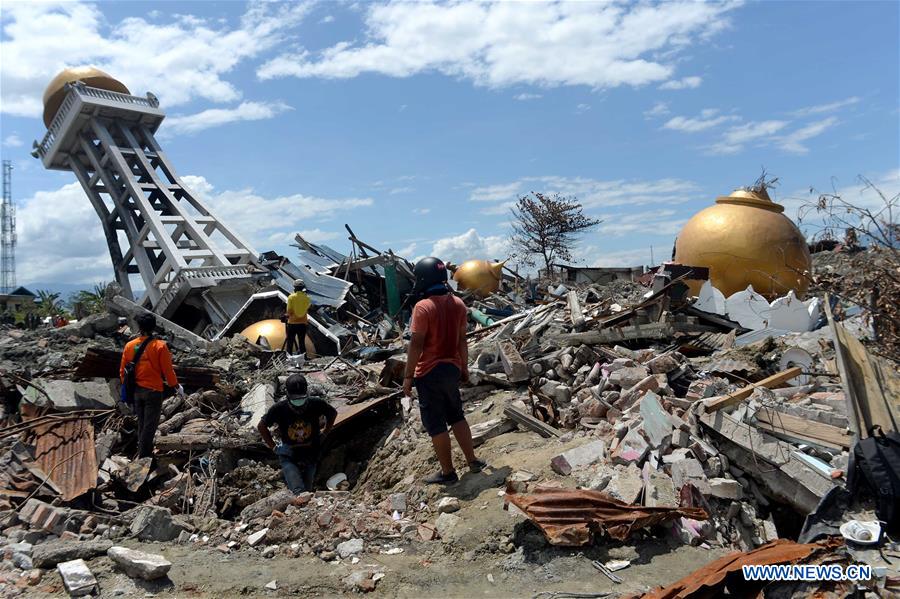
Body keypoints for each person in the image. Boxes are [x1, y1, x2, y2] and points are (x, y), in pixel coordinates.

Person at [403, 257, 486, 485]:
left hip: (429, 373)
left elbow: (416, 344)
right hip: (452, 369)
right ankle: (473, 460)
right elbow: (462, 341)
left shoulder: (423, 307)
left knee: (436, 424)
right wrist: (464, 367)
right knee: (457, 415)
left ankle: (448, 472)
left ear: (422, 279)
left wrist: (408, 376)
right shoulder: (459, 304)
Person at [257, 373, 337, 494]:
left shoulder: (315, 404)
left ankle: (305, 510)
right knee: (298, 490)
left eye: (301, 397)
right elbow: (261, 426)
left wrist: (324, 433)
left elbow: (332, 414)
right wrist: (274, 447)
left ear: (307, 393)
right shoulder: (279, 409)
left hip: (311, 452)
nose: (299, 401)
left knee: (308, 487)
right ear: (288, 395)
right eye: (295, 399)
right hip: (289, 454)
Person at [119, 313, 182, 458]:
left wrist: (128, 389)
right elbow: (168, 370)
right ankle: (144, 456)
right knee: (150, 425)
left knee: (142, 423)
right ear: (153, 327)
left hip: (136, 391)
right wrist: (176, 386)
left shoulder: (129, 346)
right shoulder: (160, 346)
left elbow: (123, 371)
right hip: (153, 391)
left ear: (139, 327)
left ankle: (141, 451)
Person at [284, 279, 311, 356]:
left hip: (292, 323)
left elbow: (289, 310)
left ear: (295, 287)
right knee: (301, 342)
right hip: (302, 323)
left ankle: (288, 357)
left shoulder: (291, 297)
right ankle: (304, 357)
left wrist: (286, 316)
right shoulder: (307, 298)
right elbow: (307, 308)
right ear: (303, 288)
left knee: (290, 342)